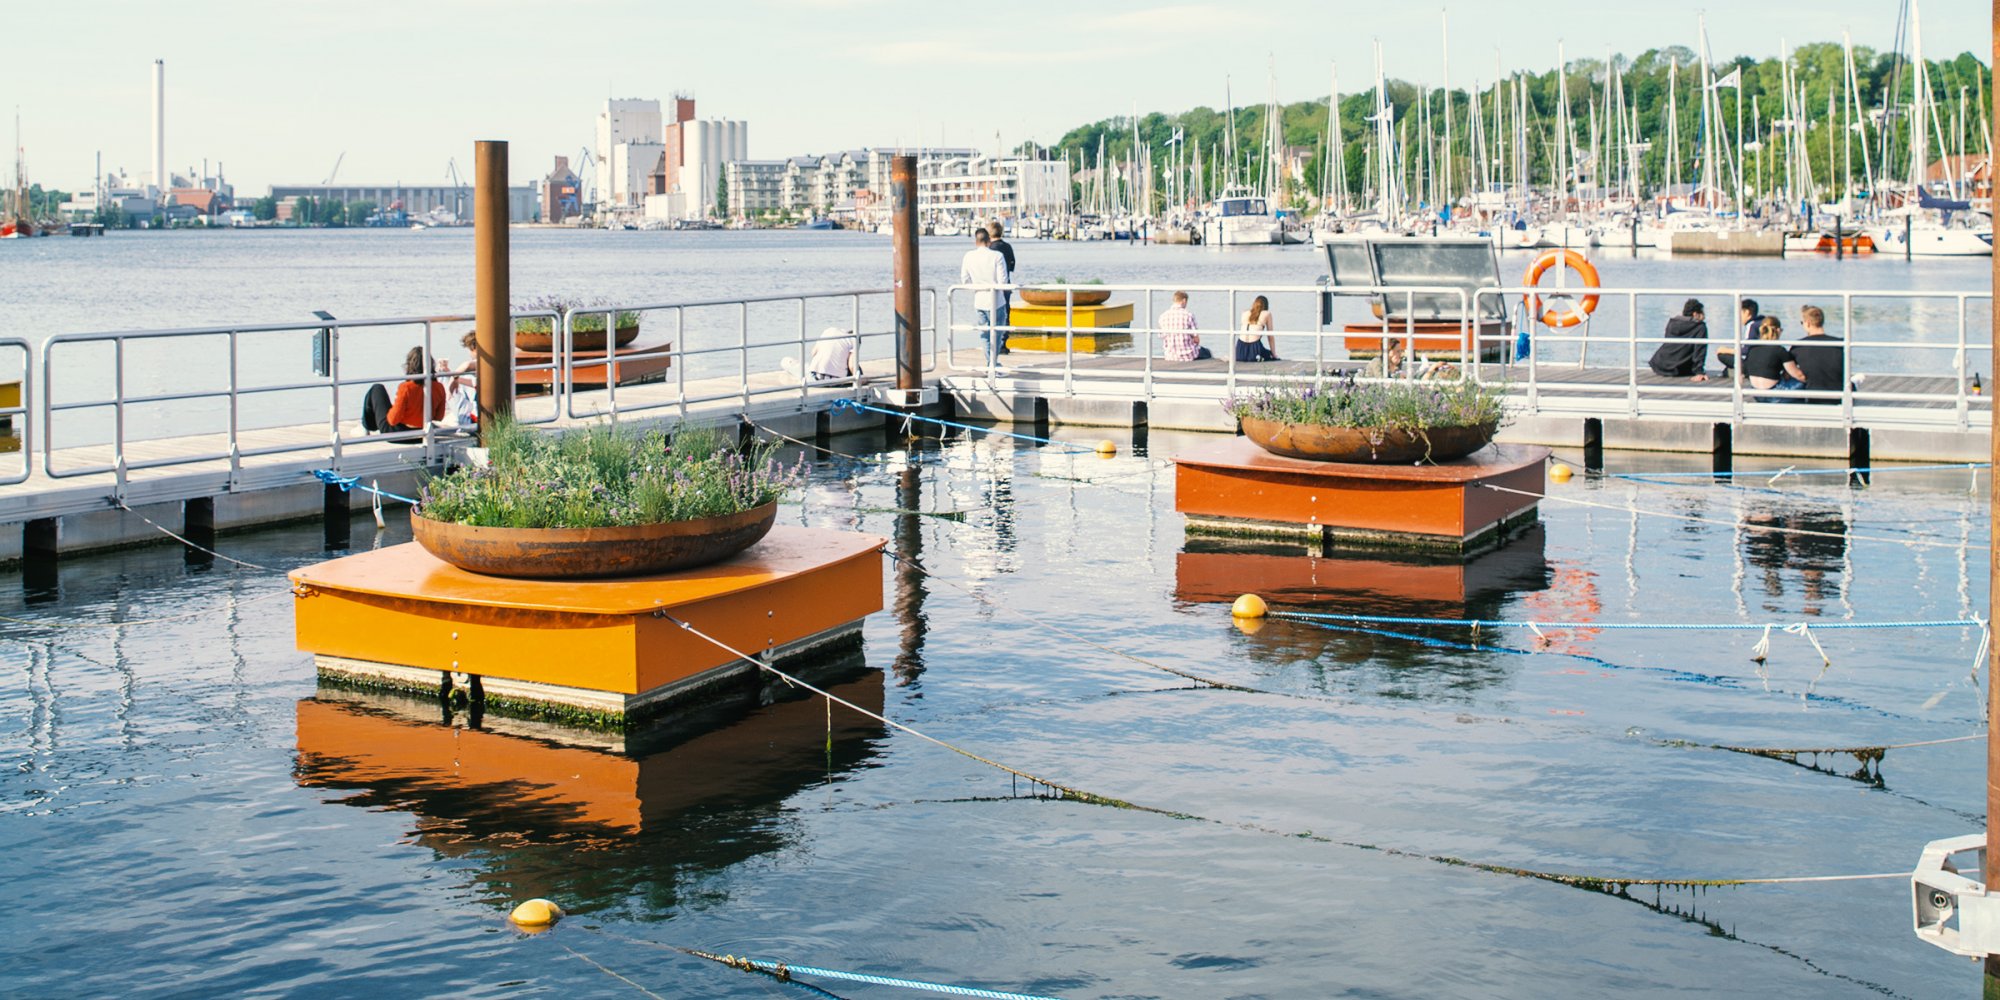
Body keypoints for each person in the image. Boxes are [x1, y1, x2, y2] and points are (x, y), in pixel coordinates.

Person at [362, 346, 445, 437]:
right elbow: (439, 417)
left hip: (400, 434)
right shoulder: (439, 387)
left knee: (377, 388)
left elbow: (393, 420)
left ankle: (367, 426)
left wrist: (393, 408)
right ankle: (368, 426)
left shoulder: (406, 387)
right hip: (425, 433)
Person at [958, 229, 1010, 367]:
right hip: (996, 300)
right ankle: (992, 363)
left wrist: (976, 287)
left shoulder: (968, 256)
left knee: (984, 334)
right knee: (997, 333)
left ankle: (990, 362)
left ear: (976, 241)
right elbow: (1003, 281)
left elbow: (965, 279)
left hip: (979, 299)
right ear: (988, 241)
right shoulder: (997, 256)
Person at [1789, 305, 1849, 404]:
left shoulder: (1798, 346)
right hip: (1839, 396)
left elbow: (1790, 373)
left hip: (1813, 396)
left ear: (1807, 323)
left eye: (1802, 323)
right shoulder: (1840, 343)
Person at [1743, 316, 1807, 402]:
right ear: (1778, 330)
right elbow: (1798, 375)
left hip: (1757, 394)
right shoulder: (1779, 350)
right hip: (1775, 394)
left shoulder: (1752, 349)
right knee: (1802, 383)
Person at [1647, 298, 1710, 381]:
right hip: (1676, 369)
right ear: (1695, 314)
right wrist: (1699, 372)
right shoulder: (1699, 327)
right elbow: (1700, 350)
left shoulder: (1672, 323)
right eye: (1702, 313)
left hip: (1659, 364)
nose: (1704, 316)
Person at [781, 326, 863, 382]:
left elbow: (813, 352)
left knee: (786, 361)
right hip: (838, 381)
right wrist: (860, 380)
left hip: (816, 378)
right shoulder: (854, 340)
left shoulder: (829, 331)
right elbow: (852, 365)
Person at [986, 221, 1015, 355]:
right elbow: (1012, 266)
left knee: (989, 315)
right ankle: (1003, 343)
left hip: (990, 286)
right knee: (1005, 315)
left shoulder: (989, 249)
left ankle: (990, 344)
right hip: (1005, 286)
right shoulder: (1008, 247)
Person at [1715, 297, 1764, 376]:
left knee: (1722, 355)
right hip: (1763, 361)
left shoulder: (1751, 325)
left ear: (1747, 312)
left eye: (1739, 313)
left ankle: (1741, 372)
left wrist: (1727, 350)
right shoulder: (1762, 322)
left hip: (1753, 364)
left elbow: (1745, 351)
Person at [1158, 290, 1209, 360]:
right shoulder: (1188, 315)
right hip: (1188, 354)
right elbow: (1196, 339)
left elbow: (1161, 336)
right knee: (1207, 352)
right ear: (1184, 300)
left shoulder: (1163, 316)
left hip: (1170, 355)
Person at [1235, 295, 1279, 363]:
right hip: (1254, 349)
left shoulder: (1245, 313)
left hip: (1239, 350)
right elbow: (1270, 337)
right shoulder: (1266, 314)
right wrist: (1274, 354)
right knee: (1269, 355)